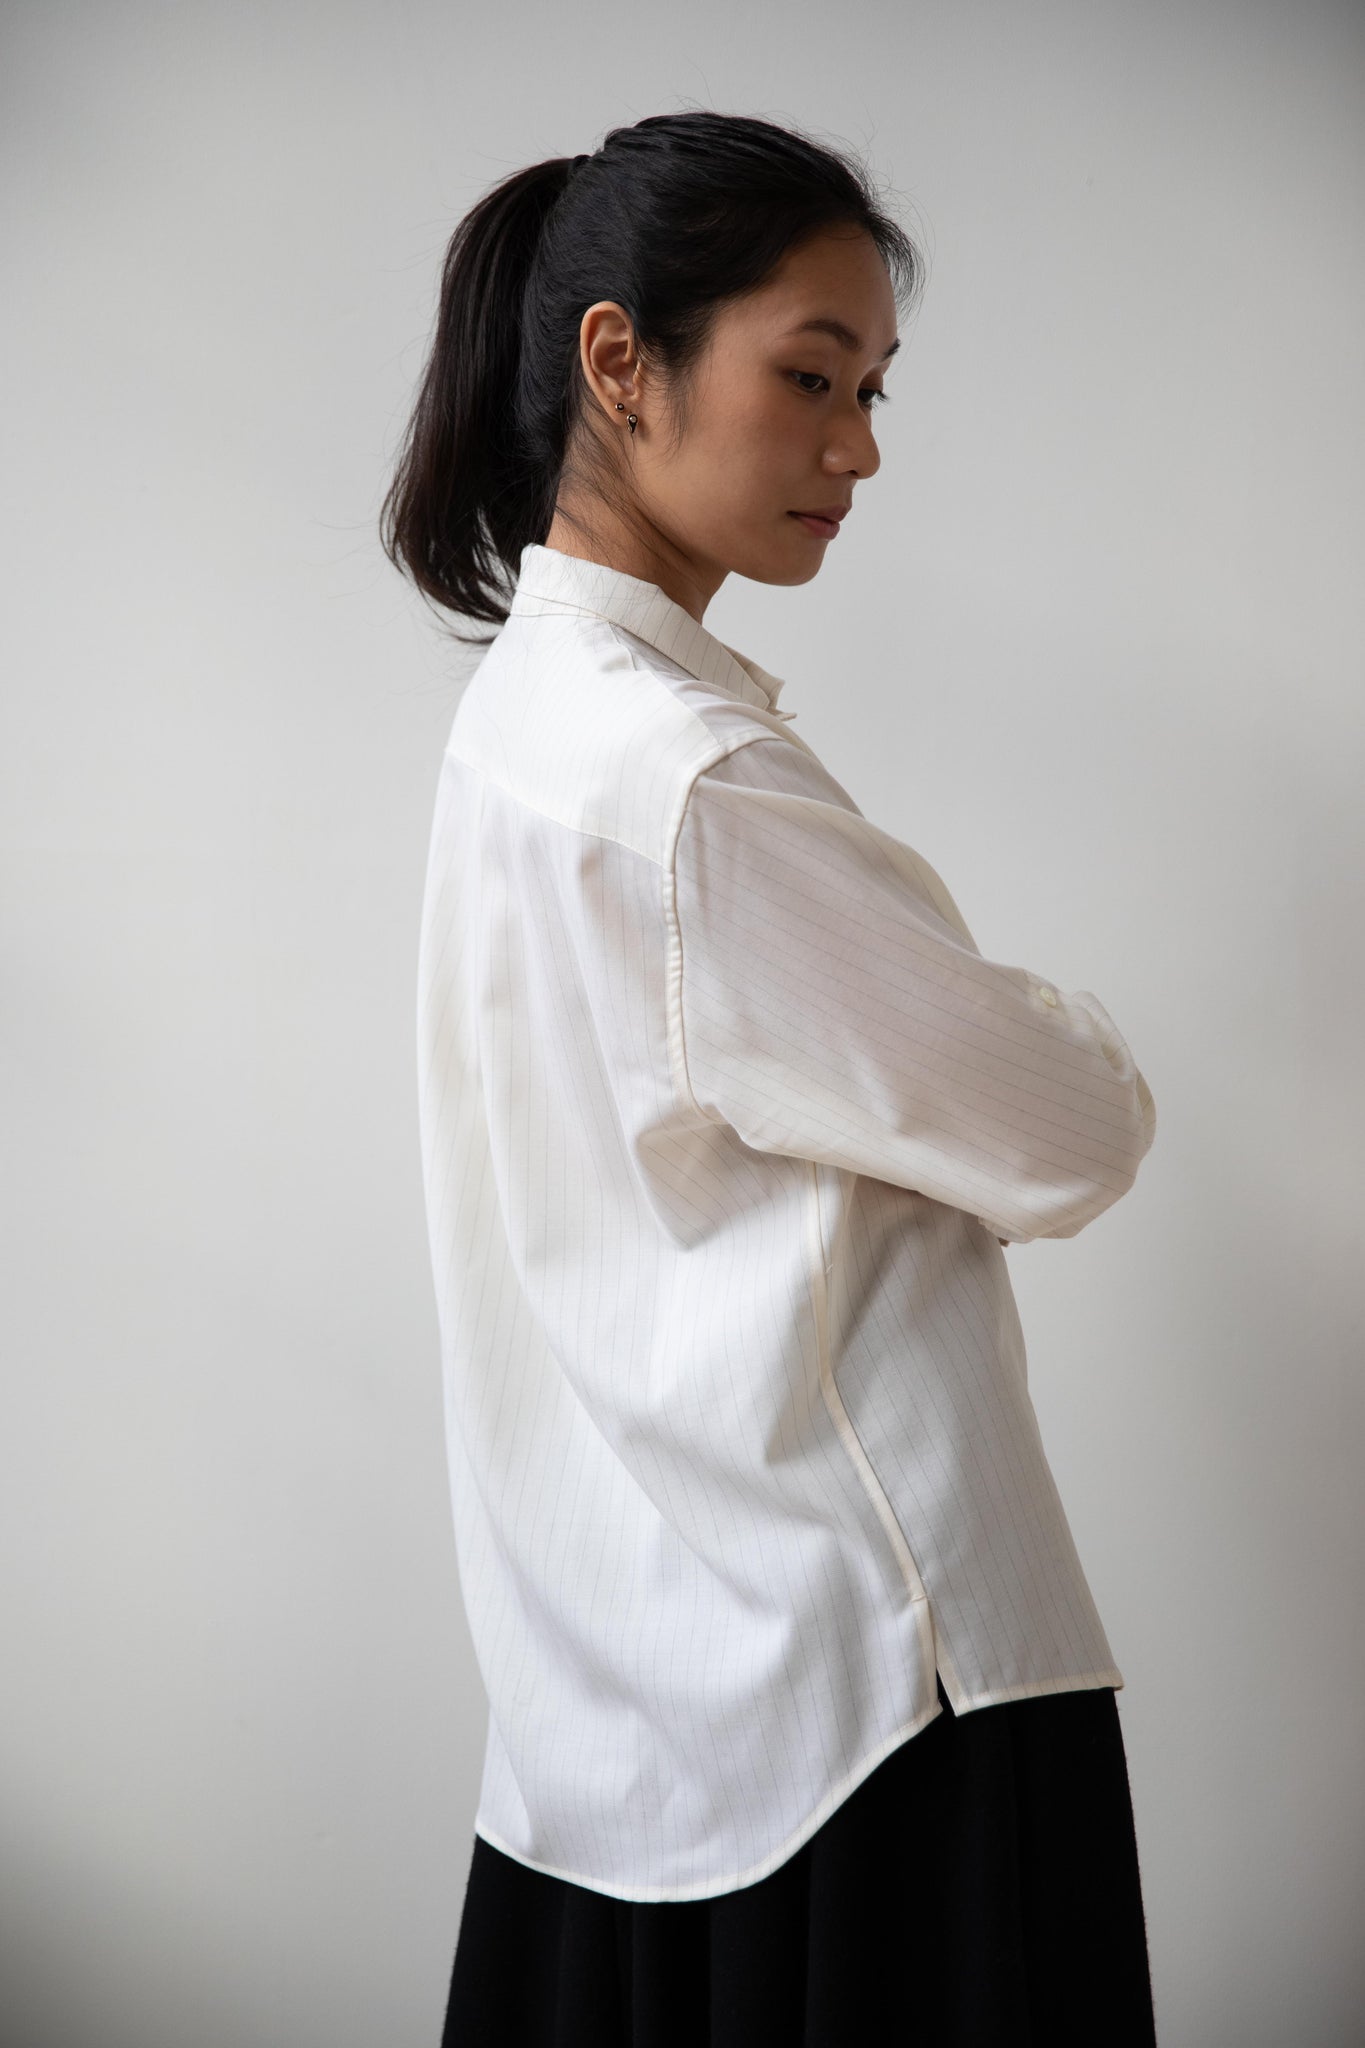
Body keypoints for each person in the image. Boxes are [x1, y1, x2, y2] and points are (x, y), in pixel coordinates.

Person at [381, 108, 1159, 2047]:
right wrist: (1074, 1032)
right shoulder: (689, 787)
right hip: (871, 1699)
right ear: (618, 362)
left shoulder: (521, 726)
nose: (859, 446)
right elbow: (1066, 1135)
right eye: (810, 377)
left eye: (871, 388)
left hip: (620, 1712)